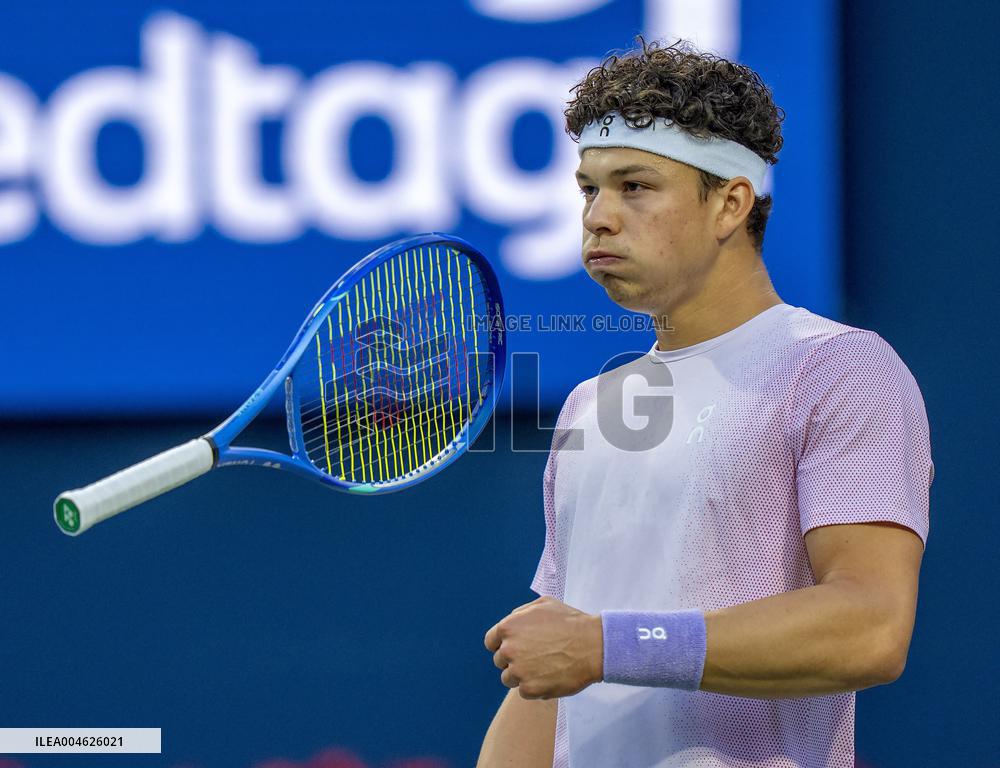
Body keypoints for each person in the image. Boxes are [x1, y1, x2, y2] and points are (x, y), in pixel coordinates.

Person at [477, 39, 933, 768]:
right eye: (588, 189)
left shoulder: (838, 368)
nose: (597, 217)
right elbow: (555, 681)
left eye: (634, 186)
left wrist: (606, 644)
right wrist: (585, 647)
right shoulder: (591, 407)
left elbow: (871, 627)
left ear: (730, 203)